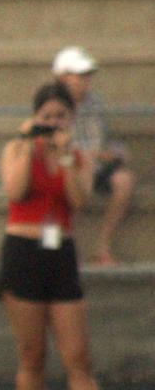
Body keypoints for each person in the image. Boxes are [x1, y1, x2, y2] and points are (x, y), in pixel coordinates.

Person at [0, 82, 151, 390]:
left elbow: (78, 201)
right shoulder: (17, 148)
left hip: (60, 251)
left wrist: (66, 157)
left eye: (60, 117)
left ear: (71, 119)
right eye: (46, 116)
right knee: (32, 353)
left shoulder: (78, 156)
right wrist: (30, 144)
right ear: (35, 117)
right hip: (23, 250)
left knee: (78, 355)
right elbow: (15, 192)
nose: (53, 123)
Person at [52, 46, 135, 265]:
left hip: (95, 165)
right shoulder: (53, 106)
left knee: (124, 181)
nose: (85, 80)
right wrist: (91, 155)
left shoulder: (94, 102)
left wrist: (117, 153)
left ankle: (103, 247)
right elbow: (54, 143)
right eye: (79, 75)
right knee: (82, 171)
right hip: (66, 165)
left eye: (87, 75)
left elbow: (104, 138)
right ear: (62, 77)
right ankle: (66, 249)